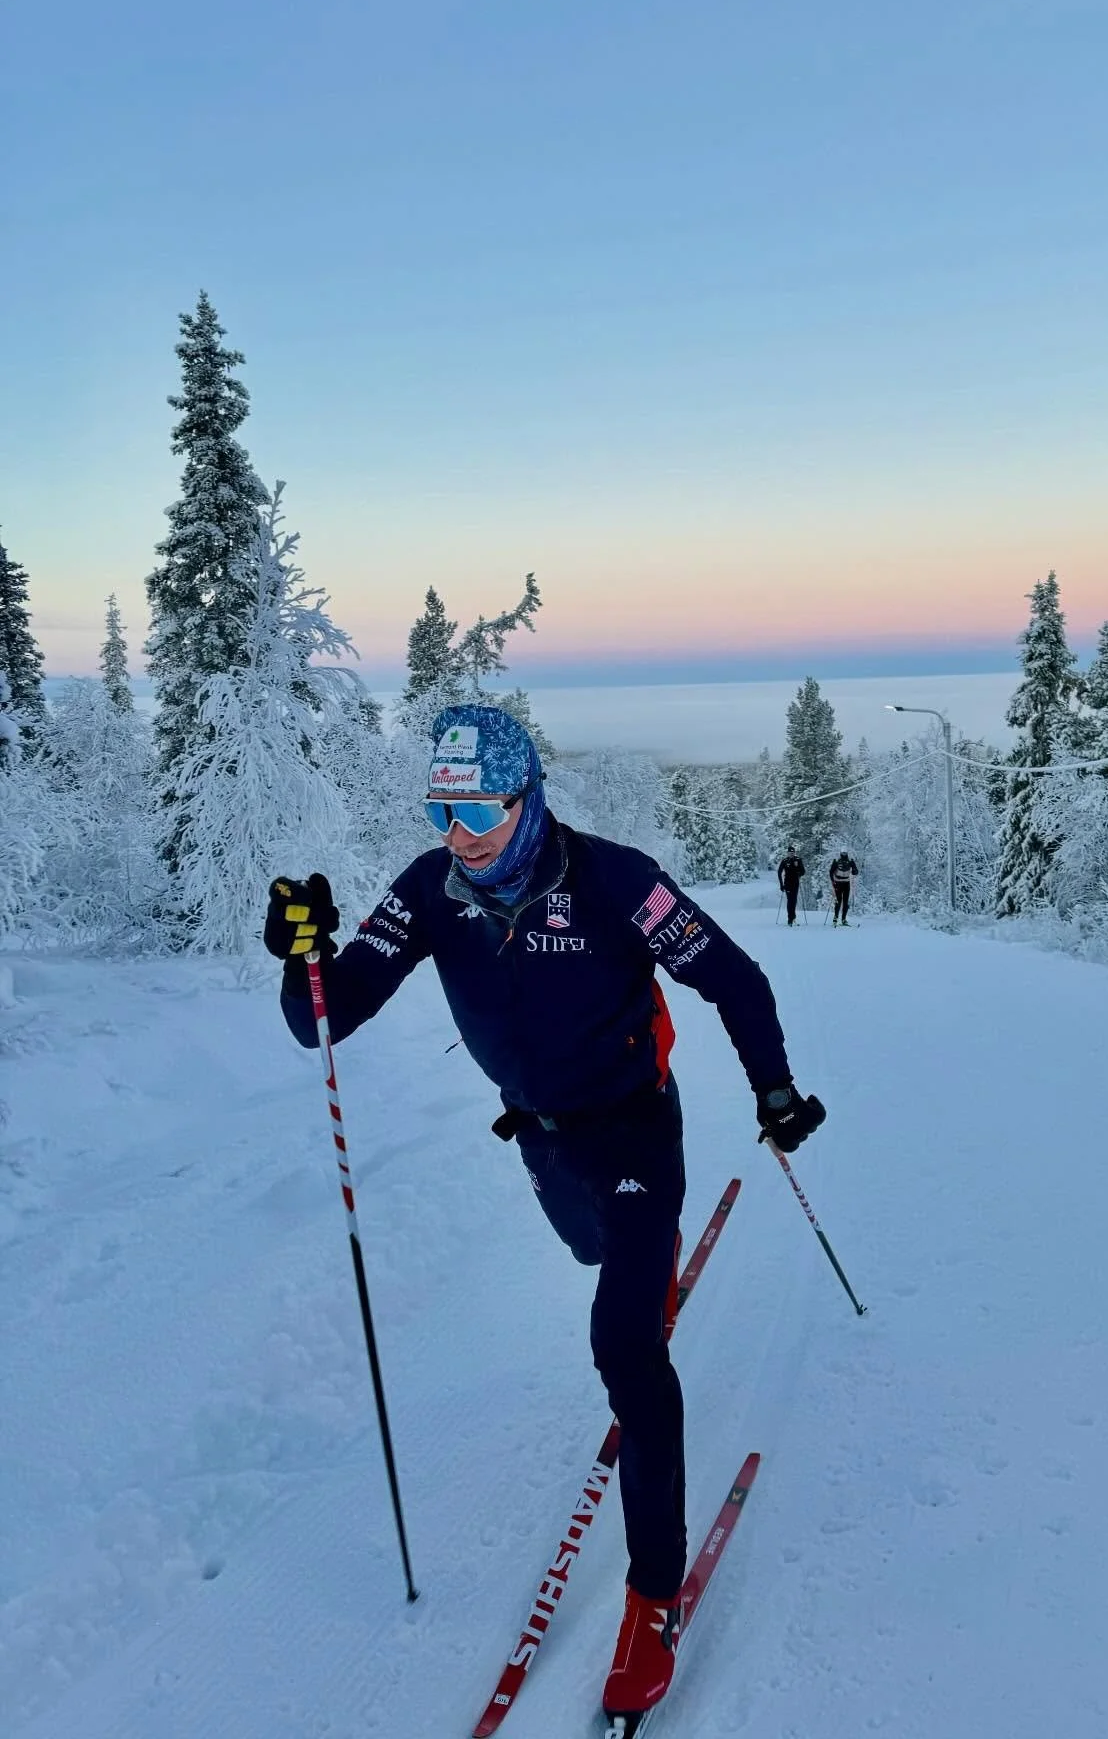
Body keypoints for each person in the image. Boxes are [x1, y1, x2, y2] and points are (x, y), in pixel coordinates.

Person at [264, 706, 826, 1724]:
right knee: (592, 1254)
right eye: (443, 808)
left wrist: (774, 1092)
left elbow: (731, 976)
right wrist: (297, 955)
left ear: (526, 796)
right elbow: (325, 1017)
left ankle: (651, 1598)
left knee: (625, 1347)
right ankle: (629, 1275)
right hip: (542, 1142)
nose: (461, 830)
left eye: (480, 805)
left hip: (633, 1133)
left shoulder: (612, 879)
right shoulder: (431, 892)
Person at [776, 844, 805, 926]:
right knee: (789, 900)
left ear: (794, 853)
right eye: (790, 852)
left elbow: (803, 871)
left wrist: (798, 870)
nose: (791, 854)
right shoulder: (785, 861)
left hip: (795, 882)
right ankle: (790, 919)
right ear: (787, 853)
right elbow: (779, 872)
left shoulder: (798, 860)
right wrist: (781, 884)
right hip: (787, 883)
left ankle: (793, 916)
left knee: (794, 900)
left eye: (793, 852)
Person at [829, 851, 859, 925]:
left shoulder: (850, 861)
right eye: (843, 853)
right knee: (838, 901)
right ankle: (835, 918)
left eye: (845, 853)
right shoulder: (836, 861)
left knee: (845, 902)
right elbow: (831, 872)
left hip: (846, 883)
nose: (844, 855)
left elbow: (855, 872)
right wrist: (833, 881)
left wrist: (854, 870)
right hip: (838, 883)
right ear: (840, 854)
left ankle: (844, 919)